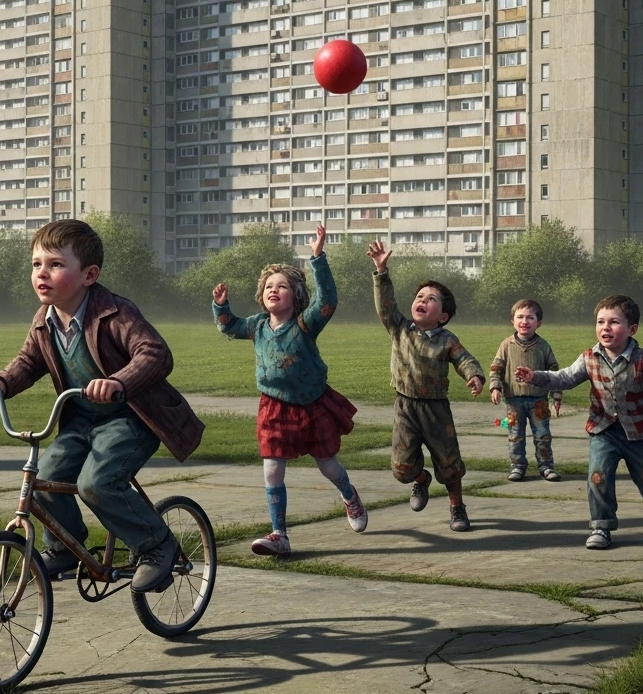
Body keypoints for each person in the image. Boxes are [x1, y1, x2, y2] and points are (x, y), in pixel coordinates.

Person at [0, 219, 204, 590]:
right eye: (36, 264)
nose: (42, 274)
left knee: (96, 483)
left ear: (89, 275)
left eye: (55, 264)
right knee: (45, 479)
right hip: (82, 421)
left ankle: (157, 545)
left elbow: (154, 354)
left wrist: (118, 382)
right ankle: (65, 547)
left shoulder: (114, 312)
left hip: (131, 419)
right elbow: (28, 362)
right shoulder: (44, 321)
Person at [212, 223, 365, 557]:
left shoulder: (305, 323)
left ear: (295, 295)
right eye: (269, 286)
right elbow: (228, 328)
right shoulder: (255, 325)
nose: (274, 290)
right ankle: (279, 534)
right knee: (272, 466)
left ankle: (349, 496)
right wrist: (221, 306)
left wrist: (318, 258)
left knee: (328, 465)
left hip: (312, 403)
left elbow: (328, 299)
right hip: (273, 407)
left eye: (282, 286)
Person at [515, 293, 643, 550]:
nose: (605, 328)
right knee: (598, 477)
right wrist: (535, 376)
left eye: (614, 322)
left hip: (638, 433)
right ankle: (601, 526)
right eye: (601, 322)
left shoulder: (642, 359)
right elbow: (564, 378)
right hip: (603, 430)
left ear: (631, 329)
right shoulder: (588, 358)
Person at [367, 240, 484, 532]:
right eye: (420, 296)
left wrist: (474, 375)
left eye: (431, 299)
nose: (422, 300)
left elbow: (464, 358)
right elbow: (385, 305)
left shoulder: (446, 339)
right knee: (401, 468)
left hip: (436, 409)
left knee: (449, 462)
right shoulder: (400, 328)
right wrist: (381, 271)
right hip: (405, 407)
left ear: (442, 315)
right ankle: (421, 480)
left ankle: (457, 507)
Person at [489, 298, 562, 482]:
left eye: (530, 318)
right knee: (515, 435)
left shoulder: (543, 346)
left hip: (539, 400)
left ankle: (546, 466)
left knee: (543, 435)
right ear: (512, 321)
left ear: (538, 323)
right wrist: (495, 387)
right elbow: (496, 367)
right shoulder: (506, 345)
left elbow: (554, 371)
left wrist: (557, 395)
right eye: (520, 317)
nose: (524, 321)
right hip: (514, 401)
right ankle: (517, 466)